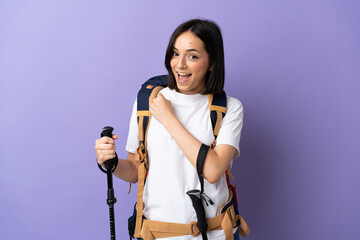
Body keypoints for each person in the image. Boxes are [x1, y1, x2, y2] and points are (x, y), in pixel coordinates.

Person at [95, 19, 244, 240]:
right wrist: (111, 163)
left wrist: (169, 119)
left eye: (192, 56)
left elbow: (213, 171)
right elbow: (136, 171)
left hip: (215, 235)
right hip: (157, 234)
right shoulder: (148, 101)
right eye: (175, 53)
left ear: (211, 62)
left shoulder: (229, 108)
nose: (180, 65)